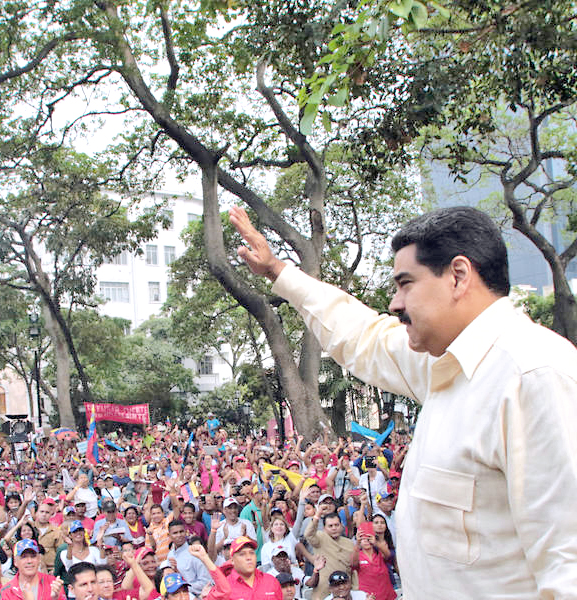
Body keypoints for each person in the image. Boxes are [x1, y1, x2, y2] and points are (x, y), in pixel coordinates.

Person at [230, 204, 577, 597]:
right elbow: (363, 336)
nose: (395, 303)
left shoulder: (535, 376)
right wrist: (279, 270)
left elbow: (568, 567)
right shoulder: (442, 362)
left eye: (406, 283)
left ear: (458, 276)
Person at [189, 538, 282, 600]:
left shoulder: (271, 581)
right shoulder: (223, 587)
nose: (248, 557)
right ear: (232, 560)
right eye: (242, 554)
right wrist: (204, 557)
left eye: (251, 553)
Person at [0, 540, 64, 600]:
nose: (29, 561)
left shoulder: (53, 584)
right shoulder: (6, 592)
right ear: (15, 561)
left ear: (39, 559)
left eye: (33, 556)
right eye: (24, 557)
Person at [164, 522, 210, 598]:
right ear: (169, 536)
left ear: (186, 532)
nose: (179, 535)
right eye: (175, 533)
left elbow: (205, 581)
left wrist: (185, 590)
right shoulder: (170, 555)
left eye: (181, 532)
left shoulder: (195, 553)